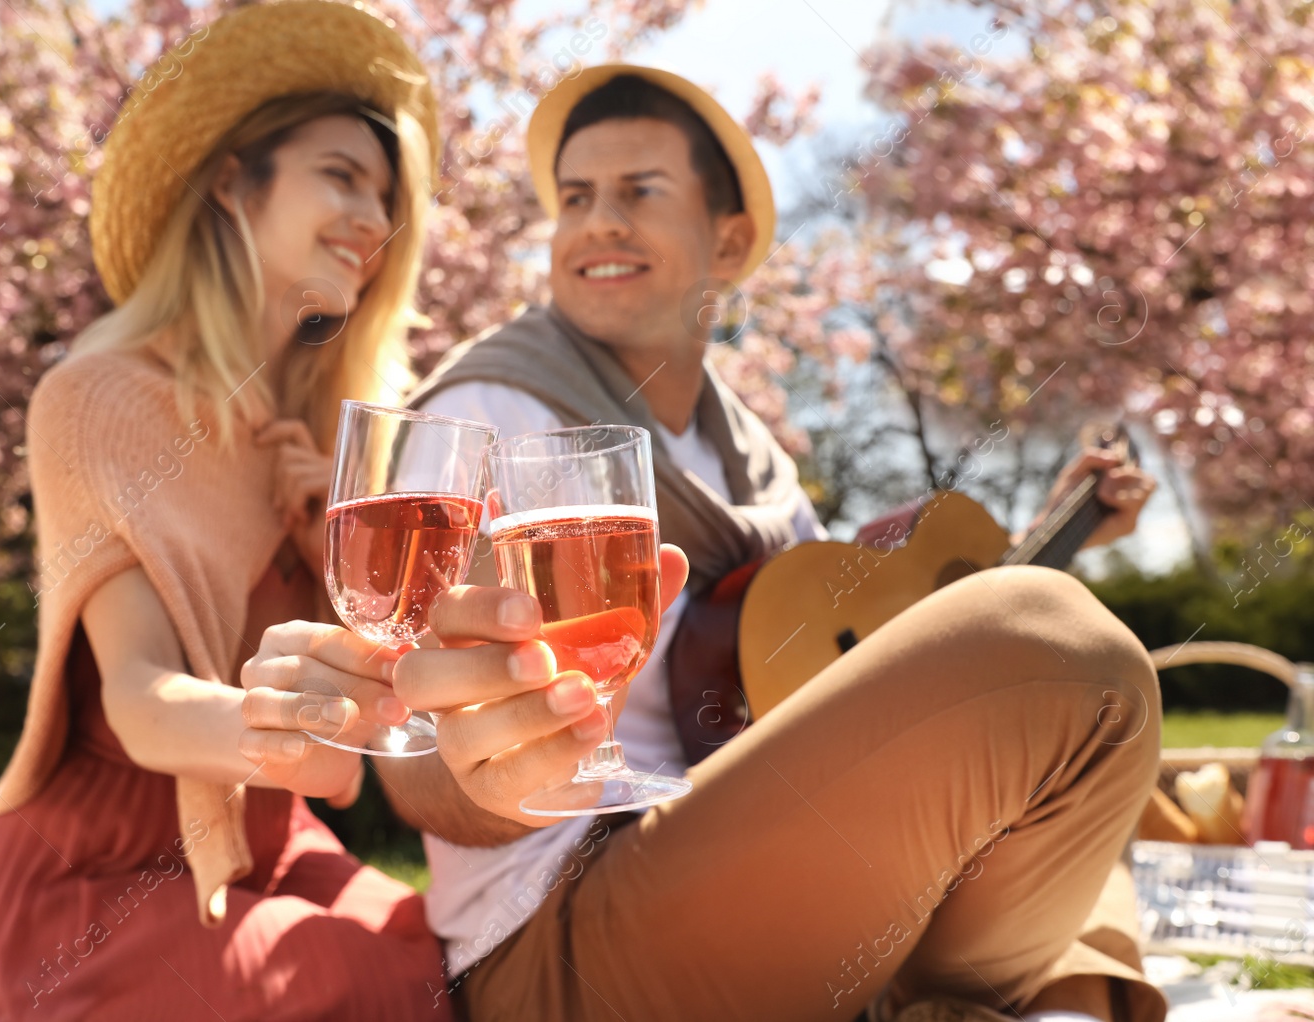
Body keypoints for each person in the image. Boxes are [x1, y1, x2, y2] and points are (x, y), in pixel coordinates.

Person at [369, 66, 1165, 1022]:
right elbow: (409, 756)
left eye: (640, 192)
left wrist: (1062, 529)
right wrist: (479, 763)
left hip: (744, 864)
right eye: (575, 198)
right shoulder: (484, 409)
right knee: (1060, 646)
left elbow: (862, 674)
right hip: (562, 935)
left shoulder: (748, 458)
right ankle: (1050, 1000)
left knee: (1081, 756)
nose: (598, 222)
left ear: (731, 240)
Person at [0, 4, 451, 1018]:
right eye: (339, 174)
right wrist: (298, 726)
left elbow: (362, 729)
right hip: (93, 871)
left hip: (275, 840)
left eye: (385, 193)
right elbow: (138, 698)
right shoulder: (98, 396)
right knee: (361, 983)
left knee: (447, 956)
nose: (371, 215)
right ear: (233, 182)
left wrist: (326, 546)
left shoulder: (316, 441)